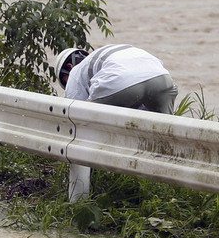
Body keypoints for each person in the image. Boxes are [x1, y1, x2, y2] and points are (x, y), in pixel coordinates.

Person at [53, 44, 178, 200]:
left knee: (85, 127)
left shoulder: (76, 72)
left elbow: (74, 119)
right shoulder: (108, 55)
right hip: (161, 79)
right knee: (166, 138)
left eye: (64, 81)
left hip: (121, 82)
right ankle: (171, 190)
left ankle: (86, 186)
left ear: (69, 67)